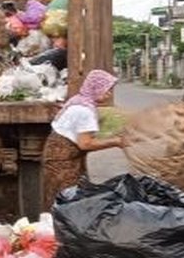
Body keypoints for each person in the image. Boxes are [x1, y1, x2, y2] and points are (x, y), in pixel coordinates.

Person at [40, 69, 126, 211]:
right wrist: (116, 142)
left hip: (59, 157)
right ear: (95, 89)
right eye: (107, 90)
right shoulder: (84, 111)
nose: (110, 94)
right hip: (63, 163)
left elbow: (81, 136)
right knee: (67, 201)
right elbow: (85, 143)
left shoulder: (78, 101)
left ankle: (55, 227)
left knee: (58, 198)